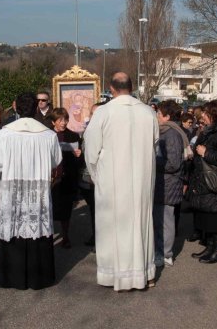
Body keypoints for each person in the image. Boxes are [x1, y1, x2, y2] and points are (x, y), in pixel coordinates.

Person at [83, 72, 159, 291]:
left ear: (112, 88)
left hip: (112, 180)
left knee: (113, 227)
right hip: (141, 180)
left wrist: (98, 177)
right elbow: (154, 143)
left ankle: (114, 275)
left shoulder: (104, 112)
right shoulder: (148, 112)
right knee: (140, 223)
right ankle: (144, 273)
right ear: (132, 87)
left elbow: (91, 149)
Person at [0, 93, 62, 290]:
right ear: (36, 108)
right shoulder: (48, 135)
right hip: (38, 191)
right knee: (36, 228)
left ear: (16, 108)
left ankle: (11, 277)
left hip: (13, 190)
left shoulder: (3, 134)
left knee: (14, 228)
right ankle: (39, 278)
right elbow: (56, 161)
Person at [188, 100, 217, 264]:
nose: (202, 118)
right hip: (206, 182)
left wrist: (206, 152)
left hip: (215, 182)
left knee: (214, 220)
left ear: (213, 115)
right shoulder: (210, 131)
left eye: (205, 115)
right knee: (207, 219)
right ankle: (209, 248)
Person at [153, 100, 185, 267]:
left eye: (159, 113)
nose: (156, 116)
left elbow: (173, 163)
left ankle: (165, 254)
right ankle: (161, 251)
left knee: (165, 221)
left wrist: (152, 163)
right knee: (160, 220)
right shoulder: (166, 132)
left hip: (167, 184)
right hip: (163, 183)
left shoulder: (171, 134)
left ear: (167, 116)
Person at [49, 107, 83, 249]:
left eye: (65, 120)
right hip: (51, 178)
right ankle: (48, 236)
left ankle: (65, 235)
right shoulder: (47, 136)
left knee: (66, 209)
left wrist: (79, 155)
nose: (63, 123)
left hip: (68, 177)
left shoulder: (74, 136)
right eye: (60, 120)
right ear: (53, 122)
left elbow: (79, 163)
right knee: (50, 208)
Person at [78, 103, 102, 248]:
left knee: (101, 211)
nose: (94, 117)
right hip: (87, 177)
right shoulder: (87, 131)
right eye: (92, 113)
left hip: (100, 178)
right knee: (94, 210)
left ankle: (100, 239)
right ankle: (96, 236)